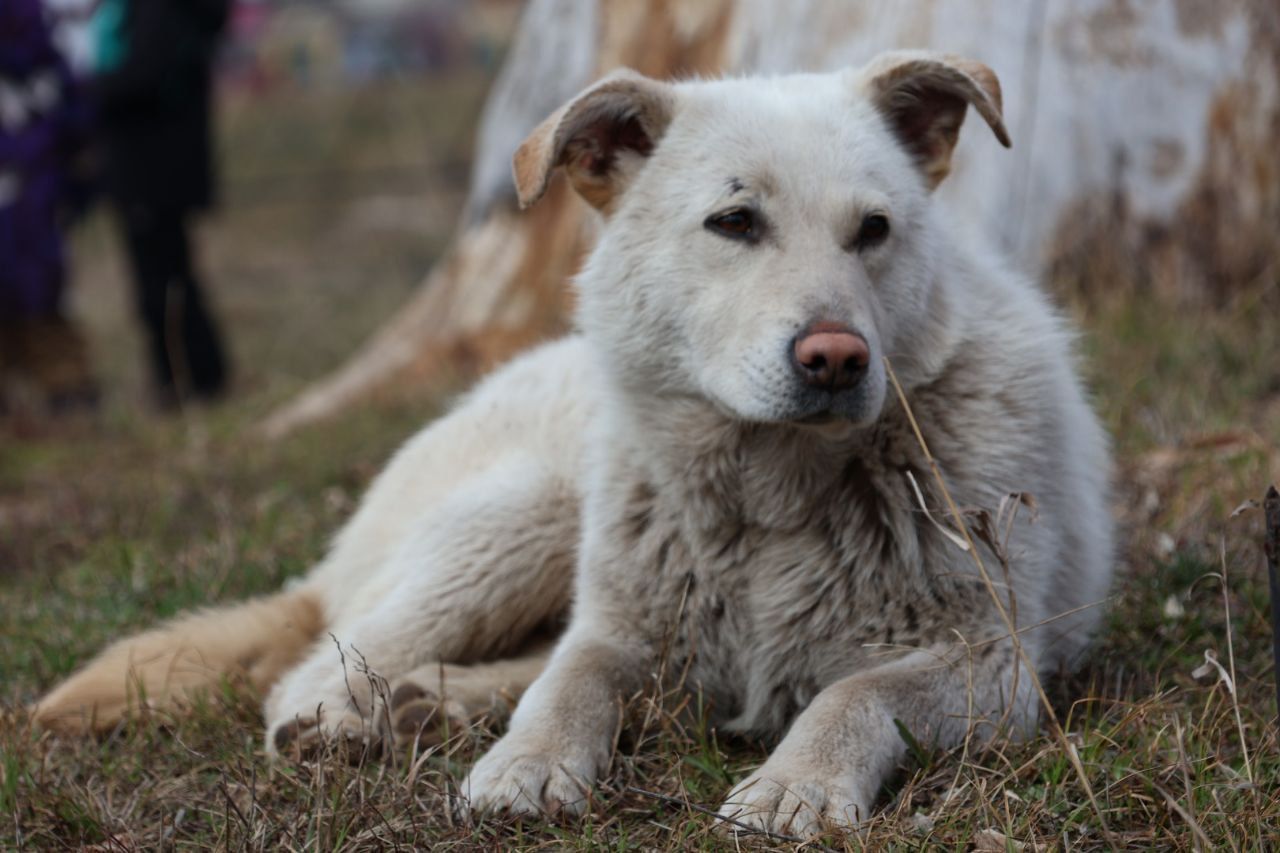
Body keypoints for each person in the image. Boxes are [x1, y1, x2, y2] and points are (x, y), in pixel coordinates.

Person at [93, 0, 231, 408]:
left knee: (162, 281)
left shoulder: (159, 9)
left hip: (151, 168)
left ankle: (185, 381)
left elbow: (141, 76)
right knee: (170, 273)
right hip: (160, 166)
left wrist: (87, 90)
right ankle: (194, 376)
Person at [0, 0, 98, 416]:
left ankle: (67, 385)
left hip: (34, 195)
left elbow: (74, 123)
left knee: (43, 290)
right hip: (32, 188)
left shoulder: (45, 58)